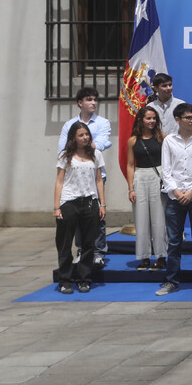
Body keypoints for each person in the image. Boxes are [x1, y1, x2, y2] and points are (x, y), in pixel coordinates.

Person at [156, 103, 192, 296]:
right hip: (175, 196)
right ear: (177, 119)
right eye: (188, 117)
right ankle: (171, 281)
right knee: (174, 241)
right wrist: (177, 191)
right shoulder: (169, 141)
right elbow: (166, 170)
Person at [57, 86, 112, 266]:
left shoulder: (103, 122)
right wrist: (80, 147)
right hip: (74, 175)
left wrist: (83, 145)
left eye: (95, 99)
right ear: (80, 103)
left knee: (97, 215)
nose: (93, 103)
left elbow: (102, 143)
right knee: (77, 216)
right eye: (89, 99)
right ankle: (81, 248)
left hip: (94, 173)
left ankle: (98, 251)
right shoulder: (69, 125)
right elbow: (63, 148)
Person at [53, 121, 105, 294]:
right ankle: (65, 280)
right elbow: (59, 181)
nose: (85, 138)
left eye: (87, 134)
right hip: (69, 202)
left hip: (90, 202)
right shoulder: (65, 155)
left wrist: (102, 204)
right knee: (65, 243)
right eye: (81, 135)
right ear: (73, 138)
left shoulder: (96, 154)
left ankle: (84, 279)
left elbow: (99, 180)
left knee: (88, 243)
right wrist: (56, 206)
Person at [125, 105, 165, 271]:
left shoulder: (162, 137)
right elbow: (129, 165)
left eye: (154, 118)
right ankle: (144, 257)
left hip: (158, 176)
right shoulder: (133, 140)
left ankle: (161, 256)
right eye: (148, 118)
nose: (152, 121)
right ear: (141, 120)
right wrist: (130, 188)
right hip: (140, 177)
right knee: (141, 219)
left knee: (159, 219)